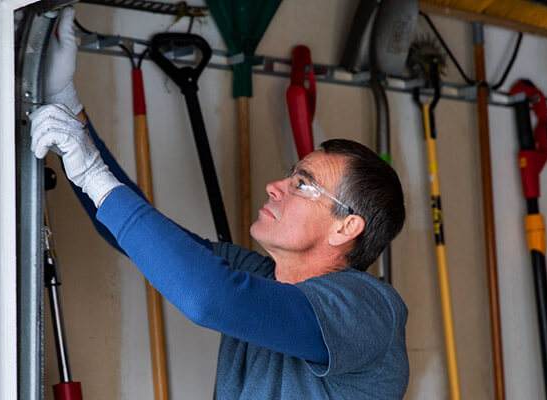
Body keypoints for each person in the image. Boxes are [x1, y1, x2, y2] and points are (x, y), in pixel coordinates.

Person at [32, 7, 409, 399]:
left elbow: (210, 298)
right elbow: (132, 233)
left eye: (302, 184)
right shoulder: (261, 275)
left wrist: (93, 172)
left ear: (346, 226)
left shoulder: (368, 309)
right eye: (290, 174)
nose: (275, 186)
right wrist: (68, 106)